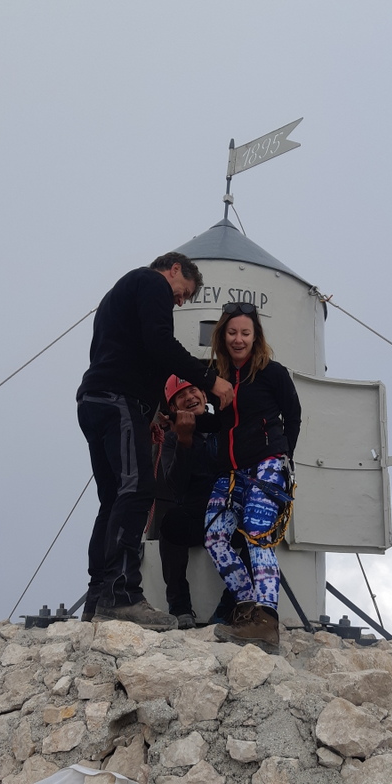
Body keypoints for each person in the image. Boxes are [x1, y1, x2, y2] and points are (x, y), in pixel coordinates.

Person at [76, 253, 233, 630]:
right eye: (184, 293)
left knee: (112, 498)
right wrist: (210, 380)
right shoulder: (151, 282)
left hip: (95, 401)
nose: (180, 301)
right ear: (174, 269)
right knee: (137, 490)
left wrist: (152, 413)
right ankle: (122, 595)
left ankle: (98, 597)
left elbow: (130, 354)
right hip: (119, 401)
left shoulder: (116, 297)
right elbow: (161, 343)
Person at [204, 302, 301, 650]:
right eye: (232, 332)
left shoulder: (272, 372)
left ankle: (266, 620)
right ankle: (247, 608)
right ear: (222, 336)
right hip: (232, 471)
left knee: (258, 534)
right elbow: (221, 423)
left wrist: (283, 455)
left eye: (245, 333)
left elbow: (294, 415)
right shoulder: (217, 377)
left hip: (267, 464)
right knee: (215, 536)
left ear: (255, 336)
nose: (238, 339)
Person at [157, 374, 236, 628]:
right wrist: (185, 440)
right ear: (173, 407)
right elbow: (176, 486)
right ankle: (180, 608)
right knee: (170, 523)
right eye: (181, 396)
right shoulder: (171, 439)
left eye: (193, 391)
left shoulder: (225, 428)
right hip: (195, 516)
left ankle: (228, 608)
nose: (190, 397)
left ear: (204, 394)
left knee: (258, 532)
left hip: (227, 515)